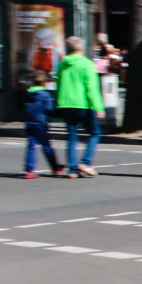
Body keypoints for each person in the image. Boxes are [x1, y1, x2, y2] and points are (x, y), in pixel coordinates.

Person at [55, 36, 104, 178]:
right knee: (95, 132)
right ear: (81, 48)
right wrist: (98, 107)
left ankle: (72, 170)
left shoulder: (62, 64)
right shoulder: (86, 64)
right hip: (83, 104)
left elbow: (58, 86)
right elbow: (92, 88)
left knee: (72, 136)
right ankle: (85, 162)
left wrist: (58, 102)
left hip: (66, 104)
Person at [22, 70, 61, 178]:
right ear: (44, 82)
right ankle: (55, 167)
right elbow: (49, 109)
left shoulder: (27, 94)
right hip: (41, 122)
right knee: (46, 146)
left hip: (30, 122)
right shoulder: (45, 95)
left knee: (31, 145)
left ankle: (29, 170)